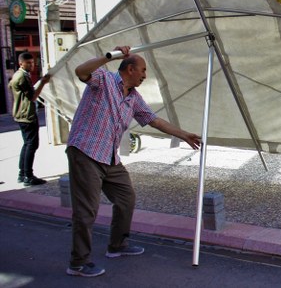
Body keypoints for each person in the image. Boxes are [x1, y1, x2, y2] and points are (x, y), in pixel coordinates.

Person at [65, 46, 200, 277]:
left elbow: (154, 121)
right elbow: (80, 71)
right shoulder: (104, 80)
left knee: (126, 197)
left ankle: (117, 245)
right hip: (85, 151)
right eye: (143, 71)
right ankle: (78, 262)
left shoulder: (134, 98)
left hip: (109, 156)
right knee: (86, 210)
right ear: (130, 69)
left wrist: (184, 134)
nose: (145, 76)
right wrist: (110, 56)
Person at [8, 52, 51, 186]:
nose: (32, 65)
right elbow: (32, 97)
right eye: (29, 63)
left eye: (32, 63)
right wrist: (43, 83)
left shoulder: (18, 75)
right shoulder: (22, 77)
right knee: (31, 145)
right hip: (27, 115)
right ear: (21, 63)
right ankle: (28, 176)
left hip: (21, 114)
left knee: (27, 144)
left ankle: (22, 174)